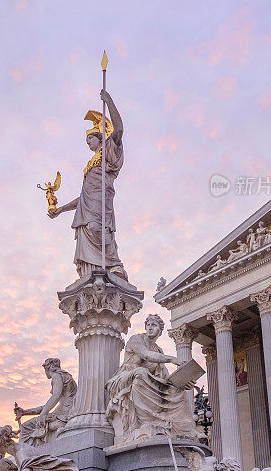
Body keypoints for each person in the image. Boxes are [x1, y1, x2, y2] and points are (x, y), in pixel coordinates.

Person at [48, 89, 126, 279]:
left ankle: (115, 264)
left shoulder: (108, 152)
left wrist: (109, 101)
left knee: (96, 228)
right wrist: (60, 210)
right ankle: (92, 274)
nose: (87, 142)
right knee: (87, 234)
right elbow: (83, 198)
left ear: (100, 137)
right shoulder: (89, 166)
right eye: (86, 140)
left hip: (101, 202)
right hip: (87, 206)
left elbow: (119, 129)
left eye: (90, 138)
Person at [106, 314, 201, 444]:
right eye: (148, 325)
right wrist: (172, 359)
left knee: (178, 391)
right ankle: (147, 423)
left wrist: (184, 383)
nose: (150, 328)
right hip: (124, 379)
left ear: (160, 331)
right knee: (141, 372)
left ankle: (186, 429)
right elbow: (146, 355)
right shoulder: (136, 339)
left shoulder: (158, 350)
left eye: (154, 325)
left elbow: (166, 378)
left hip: (145, 380)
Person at [14, 358, 77, 446]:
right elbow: (47, 405)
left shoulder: (56, 376)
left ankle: (24, 452)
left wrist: (43, 415)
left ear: (49, 367)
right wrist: (25, 412)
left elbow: (55, 397)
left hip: (65, 412)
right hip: (66, 409)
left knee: (25, 427)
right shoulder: (63, 375)